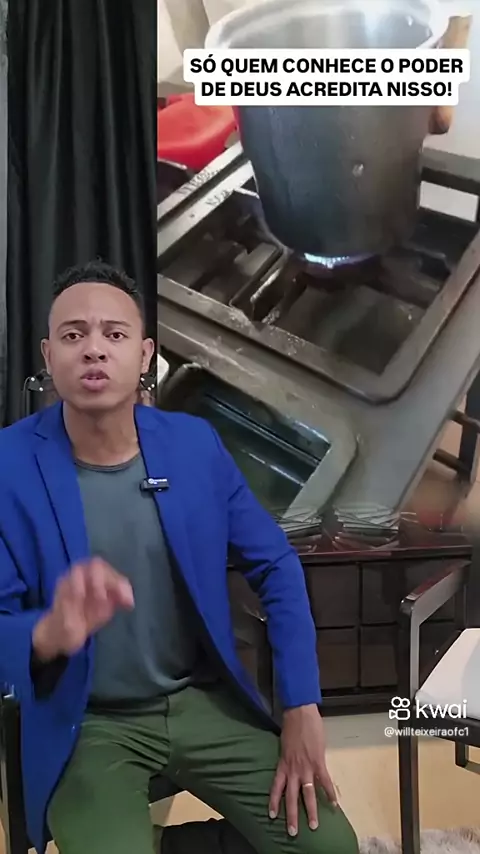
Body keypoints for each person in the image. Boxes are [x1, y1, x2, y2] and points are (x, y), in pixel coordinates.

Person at [0, 261, 359, 854]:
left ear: (144, 355)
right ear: (47, 354)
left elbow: (276, 564)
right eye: (73, 335)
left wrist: (302, 704)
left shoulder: (194, 445)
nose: (94, 349)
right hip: (87, 721)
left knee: (331, 848)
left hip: (199, 700)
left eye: (114, 334)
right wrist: (46, 632)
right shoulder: (9, 465)